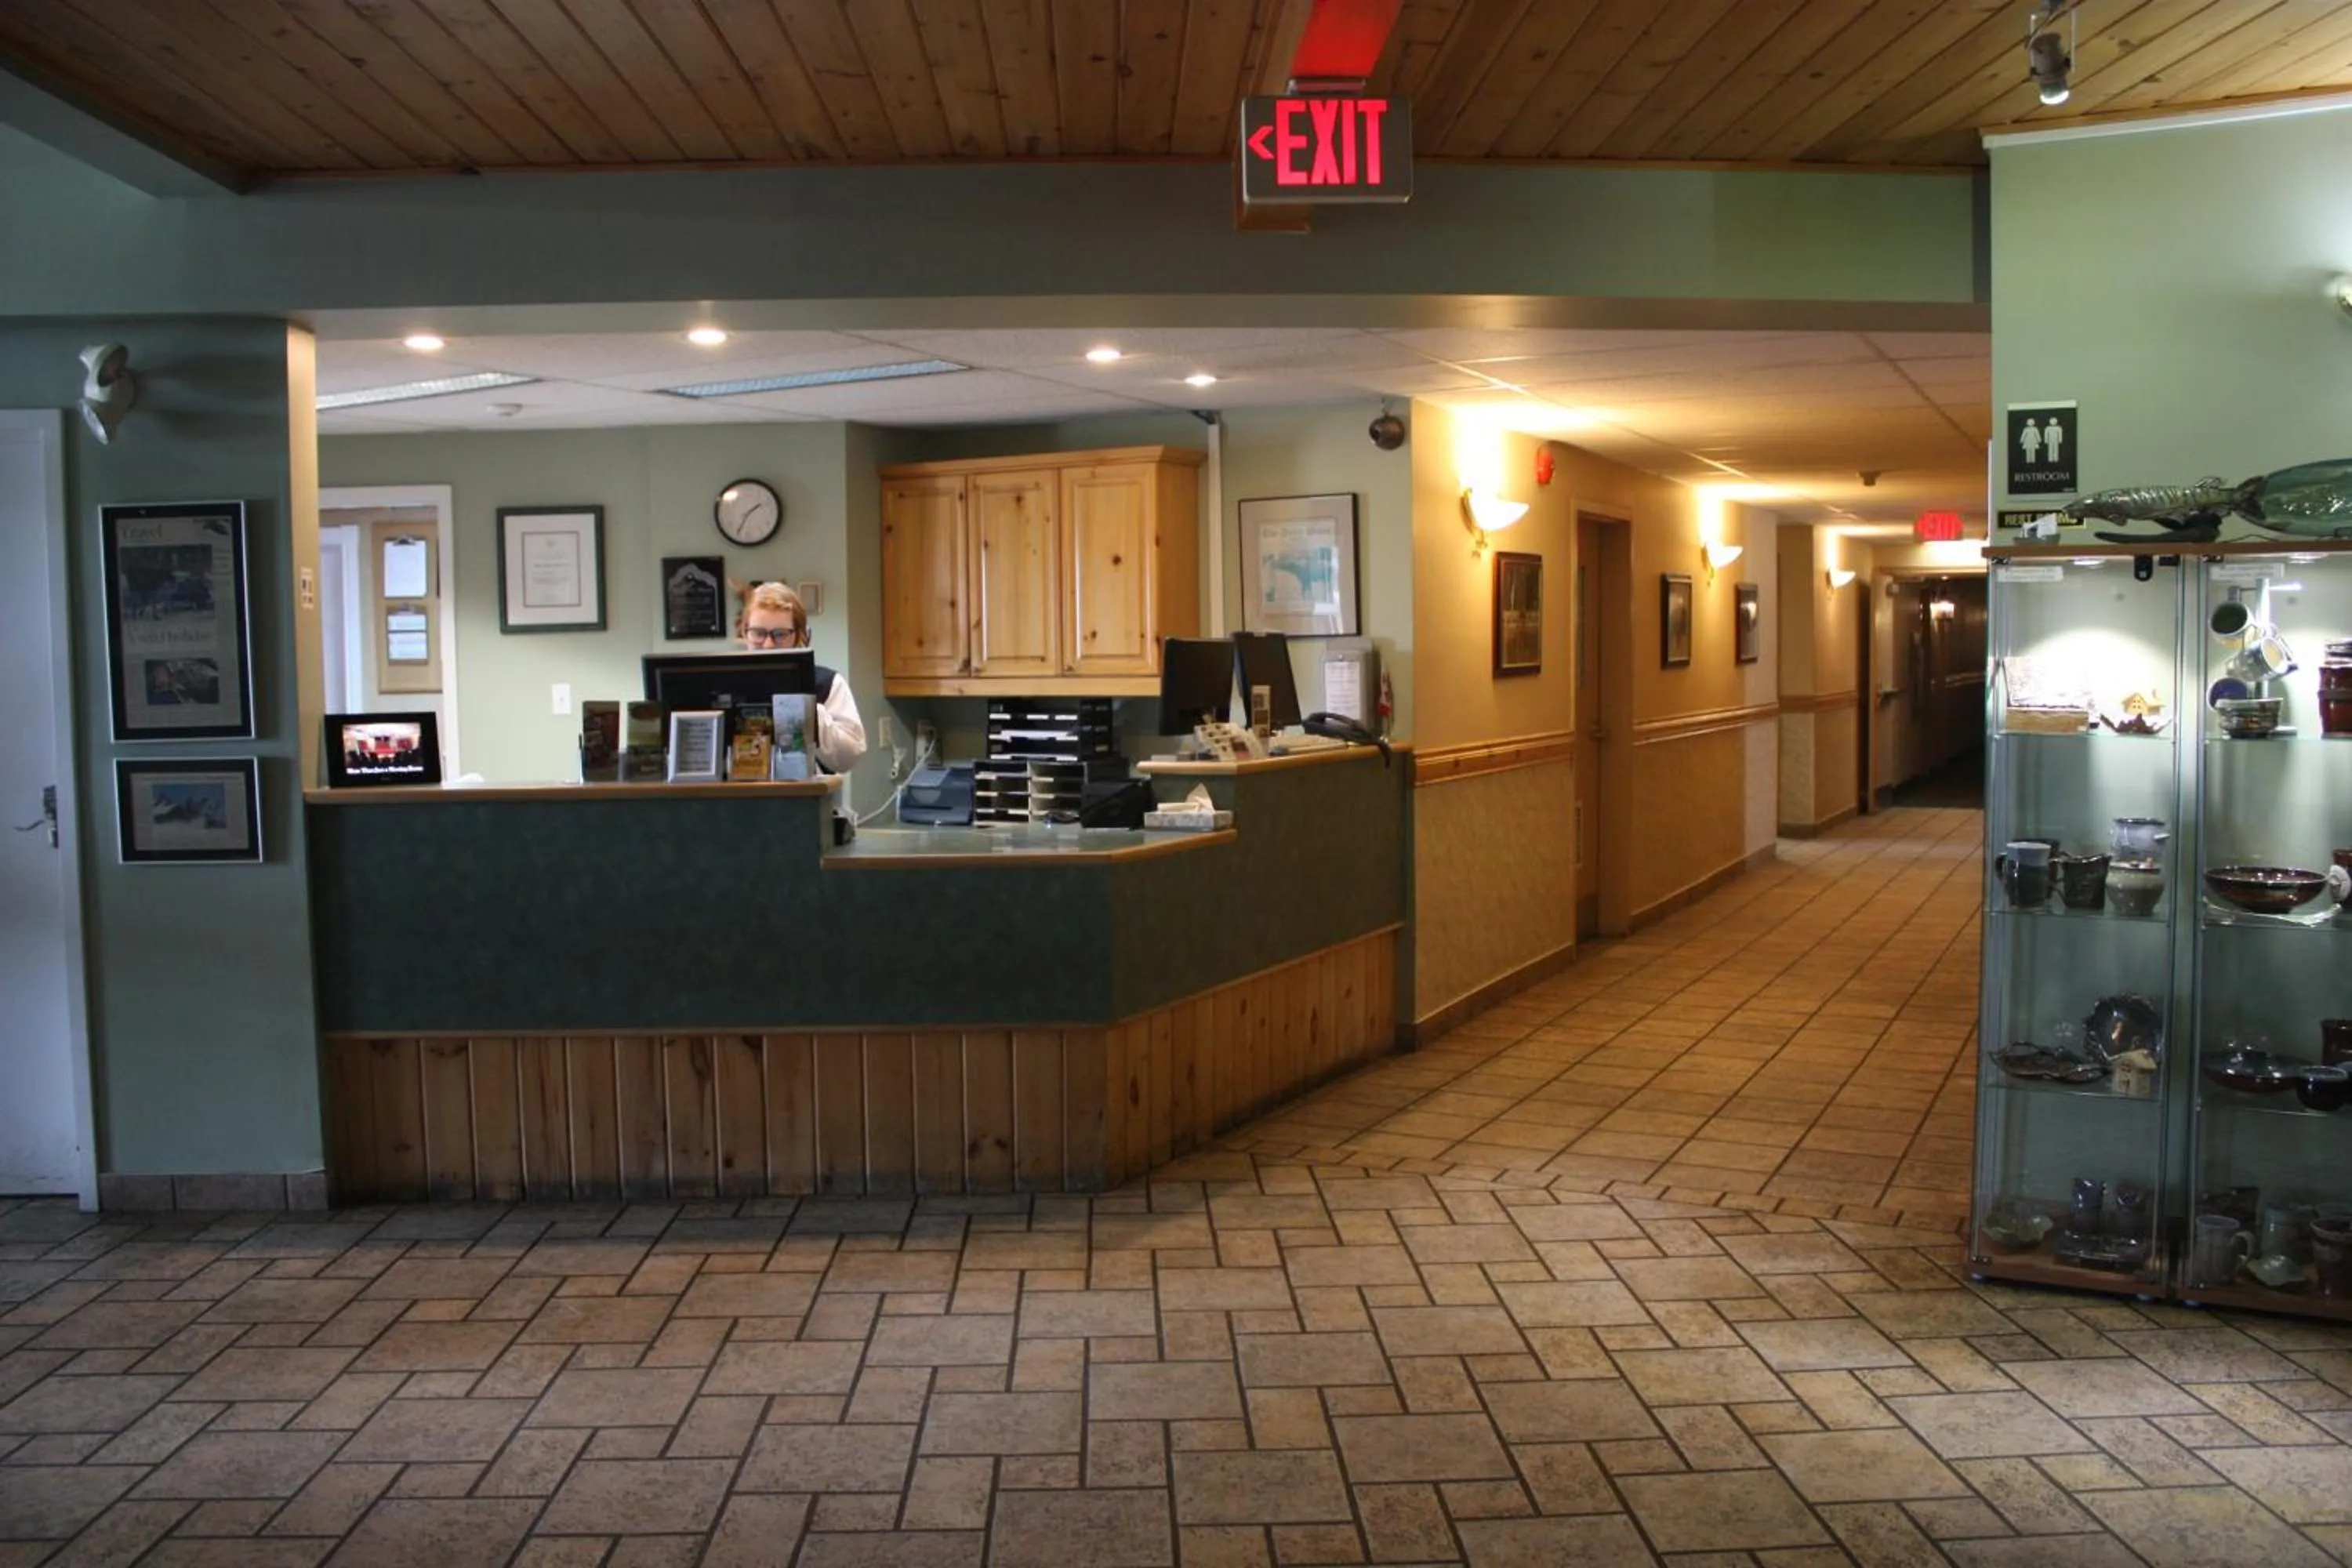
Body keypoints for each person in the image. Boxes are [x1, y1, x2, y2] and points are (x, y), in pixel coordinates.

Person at [737, 581, 867, 774]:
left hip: (806, 799)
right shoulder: (723, 681)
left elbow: (848, 757)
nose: (768, 645)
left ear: (799, 636)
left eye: (780, 635)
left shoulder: (827, 683)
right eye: (758, 633)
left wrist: (807, 708)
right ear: (744, 633)